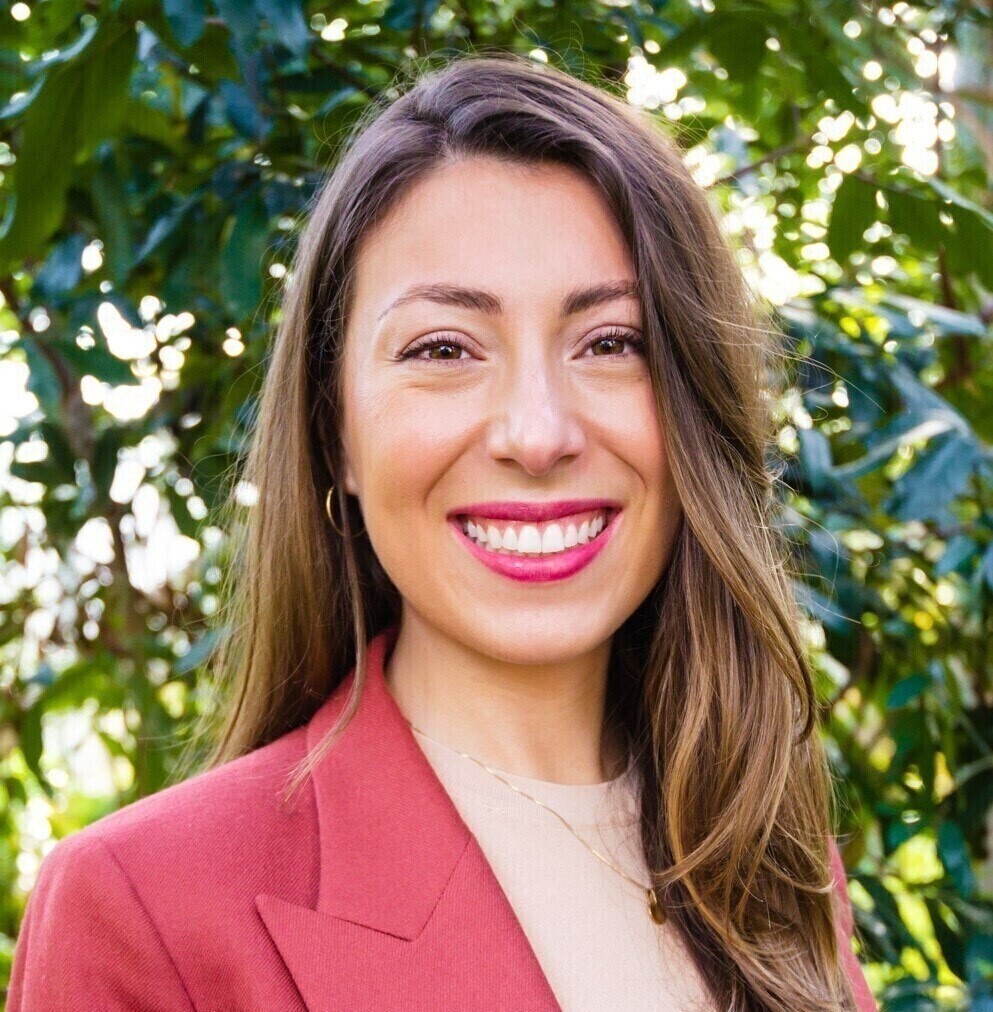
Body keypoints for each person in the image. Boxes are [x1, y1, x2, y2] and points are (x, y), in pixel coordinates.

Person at [7, 52, 877, 1011]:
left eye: (611, 342)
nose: (537, 435)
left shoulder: (777, 871)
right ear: (334, 431)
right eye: (444, 349)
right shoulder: (146, 910)